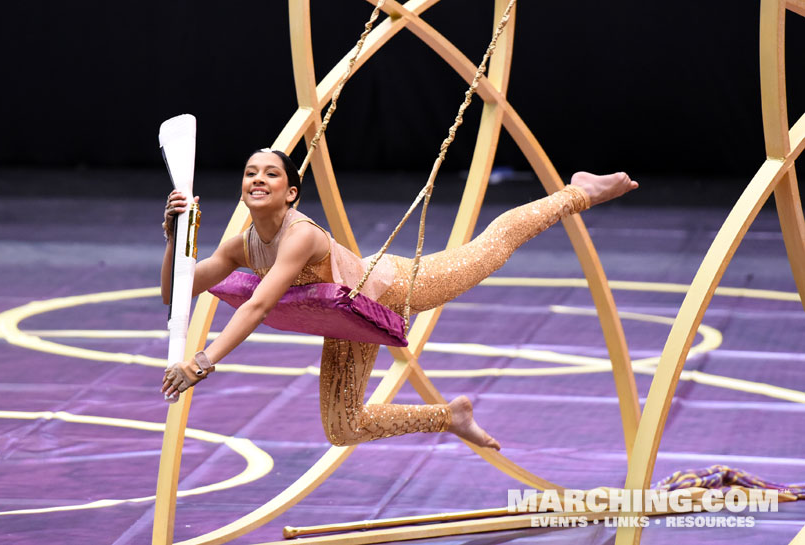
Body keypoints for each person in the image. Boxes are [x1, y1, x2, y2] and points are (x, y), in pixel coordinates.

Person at [161, 149, 638, 450]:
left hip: (396, 288)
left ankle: (578, 192)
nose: (257, 179)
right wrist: (171, 237)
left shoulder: (299, 235)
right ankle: (450, 416)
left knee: (491, 248)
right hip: (349, 321)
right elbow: (174, 291)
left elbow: (258, 307)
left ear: (291, 193)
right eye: (249, 173)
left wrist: (201, 362)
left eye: (270, 174)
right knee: (343, 429)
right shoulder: (240, 245)